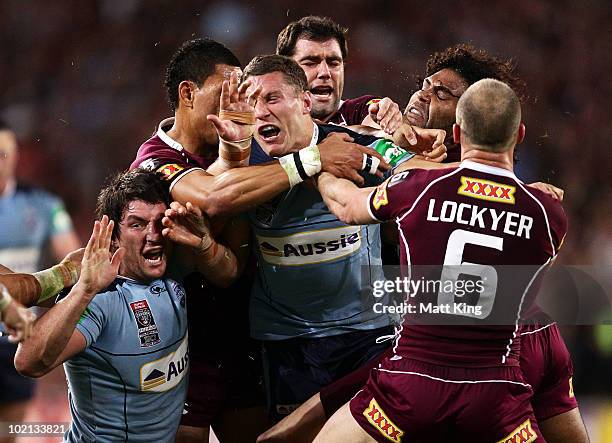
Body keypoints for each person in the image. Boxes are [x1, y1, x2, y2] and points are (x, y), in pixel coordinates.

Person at [258, 44, 584, 443]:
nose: (423, 96)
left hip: (418, 370)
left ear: (459, 130)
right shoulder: (548, 210)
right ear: (518, 134)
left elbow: (349, 202)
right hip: (507, 370)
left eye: (442, 93)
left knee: (289, 434)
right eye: (424, 86)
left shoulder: (417, 185)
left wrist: (320, 162)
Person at [130, 37, 400, 443]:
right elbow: (218, 196)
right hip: (191, 342)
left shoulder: (257, 145)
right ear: (189, 94)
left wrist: (375, 114)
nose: (240, 106)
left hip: (255, 338)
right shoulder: (157, 160)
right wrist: (314, 160)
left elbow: (232, 265)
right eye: (232, 93)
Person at [237, 54, 446, 422]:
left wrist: (506, 183)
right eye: (251, 102)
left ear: (304, 103)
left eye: (271, 99)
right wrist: (310, 162)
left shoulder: (357, 144)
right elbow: (217, 194)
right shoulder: (241, 162)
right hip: (288, 341)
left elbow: (421, 175)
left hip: (367, 333)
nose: (260, 112)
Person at [14, 168, 240, 442]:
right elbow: (28, 362)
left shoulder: (175, 267)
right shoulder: (102, 299)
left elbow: (229, 271)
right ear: (112, 237)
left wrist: (204, 242)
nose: (152, 234)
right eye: (137, 224)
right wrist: (84, 289)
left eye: (159, 222)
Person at [0, 119, 81, 442]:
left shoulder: (44, 206)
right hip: (13, 314)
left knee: (8, 430)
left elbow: (72, 257)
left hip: (14, 335)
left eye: (5, 153)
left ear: (17, 155)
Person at [276, 16, 402, 133]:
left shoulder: (360, 110)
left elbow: (381, 128)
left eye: (333, 63)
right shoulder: (265, 123)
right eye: (310, 63)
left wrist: (389, 117)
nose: (325, 73)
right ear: (284, 72)